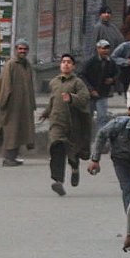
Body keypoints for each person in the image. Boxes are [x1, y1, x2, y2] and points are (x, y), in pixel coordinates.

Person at [40, 54, 92, 196]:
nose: (66, 64)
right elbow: (52, 100)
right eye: (63, 62)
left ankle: (75, 168)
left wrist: (71, 98)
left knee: (72, 152)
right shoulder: (54, 82)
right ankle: (58, 181)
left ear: (73, 66)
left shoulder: (78, 83)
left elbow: (84, 99)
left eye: (69, 62)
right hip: (57, 123)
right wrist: (46, 112)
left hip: (73, 124)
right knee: (56, 148)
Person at [0, 39, 36, 167]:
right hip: (12, 105)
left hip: (24, 104)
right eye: (20, 49)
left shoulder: (27, 64)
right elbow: (5, 85)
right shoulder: (11, 64)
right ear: (16, 50)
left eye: (24, 49)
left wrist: (32, 103)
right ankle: (8, 158)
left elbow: (30, 85)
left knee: (20, 130)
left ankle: (14, 157)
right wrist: (3, 104)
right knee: (11, 131)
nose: (22, 51)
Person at [80, 39, 119, 129]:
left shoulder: (111, 62)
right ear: (98, 49)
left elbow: (117, 73)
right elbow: (82, 75)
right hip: (90, 95)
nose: (105, 51)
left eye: (107, 49)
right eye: (103, 48)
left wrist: (112, 80)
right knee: (87, 117)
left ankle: (101, 138)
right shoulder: (91, 61)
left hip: (103, 93)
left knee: (102, 117)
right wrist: (91, 89)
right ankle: (86, 137)